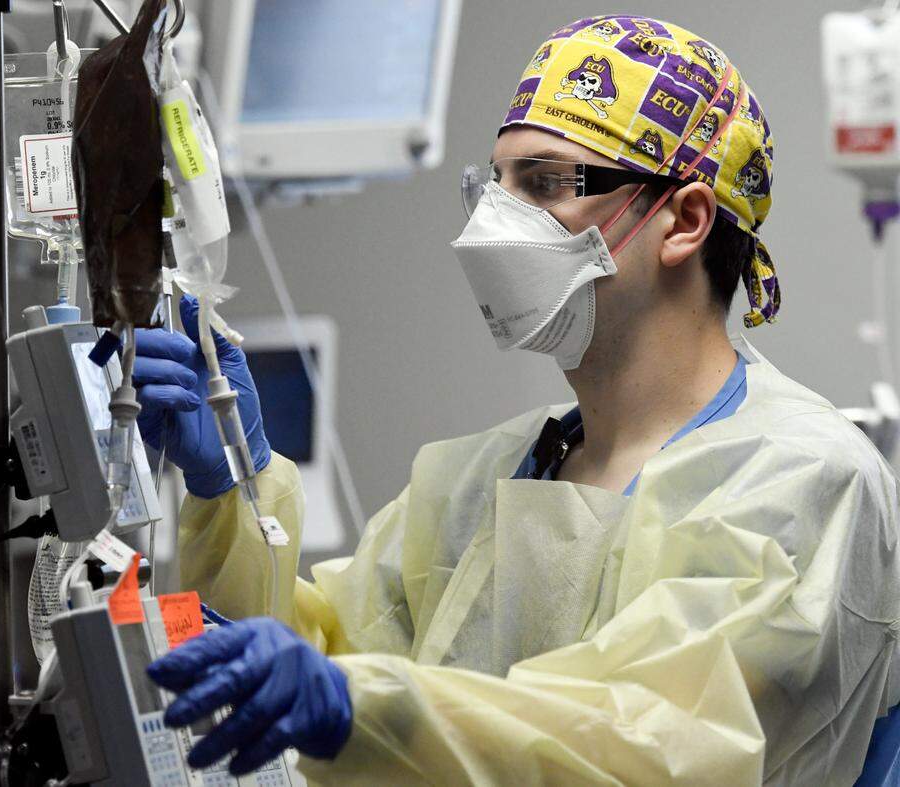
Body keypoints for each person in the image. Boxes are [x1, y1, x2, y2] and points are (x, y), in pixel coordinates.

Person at [134, 15, 900, 785]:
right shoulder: (481, 484)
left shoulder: (802, 481)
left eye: (544, 182)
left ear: (686, 220)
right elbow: (295, 689)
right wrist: (232, 488)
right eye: (493, 184)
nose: (489, 225)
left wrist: (353, 704)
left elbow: (652, 745)